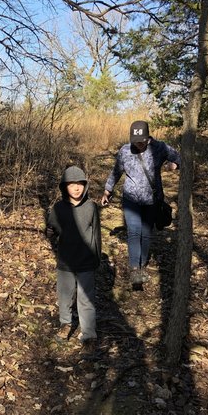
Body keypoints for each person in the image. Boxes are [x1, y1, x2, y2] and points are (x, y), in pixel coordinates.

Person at [101, 120, 180, 287]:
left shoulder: (160, 147)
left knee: (146, 233)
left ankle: (142, 264)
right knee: (134, 232)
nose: (138, 144)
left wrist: (174, 164)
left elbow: (177, 157)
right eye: (135, 141)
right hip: (130, 200)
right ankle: (135, 269)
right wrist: (107, 190)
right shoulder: (125, 150)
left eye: (141, 141)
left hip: (152, 200)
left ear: (148, 138)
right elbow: (116, 171)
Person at [47, 166, 101, 354]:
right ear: (64, 187)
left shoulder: (91, 207)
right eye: (72, 184)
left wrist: (97, 258)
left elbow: (96, 234)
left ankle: (89, 334)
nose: (76, 188)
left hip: (86, 261)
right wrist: (51, 233)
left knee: (86, 299)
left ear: (85, 186)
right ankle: (65, 324)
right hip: (65, 262)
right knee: (65, 295)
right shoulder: (59, 208)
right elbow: (52, 228)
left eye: (80, 184)